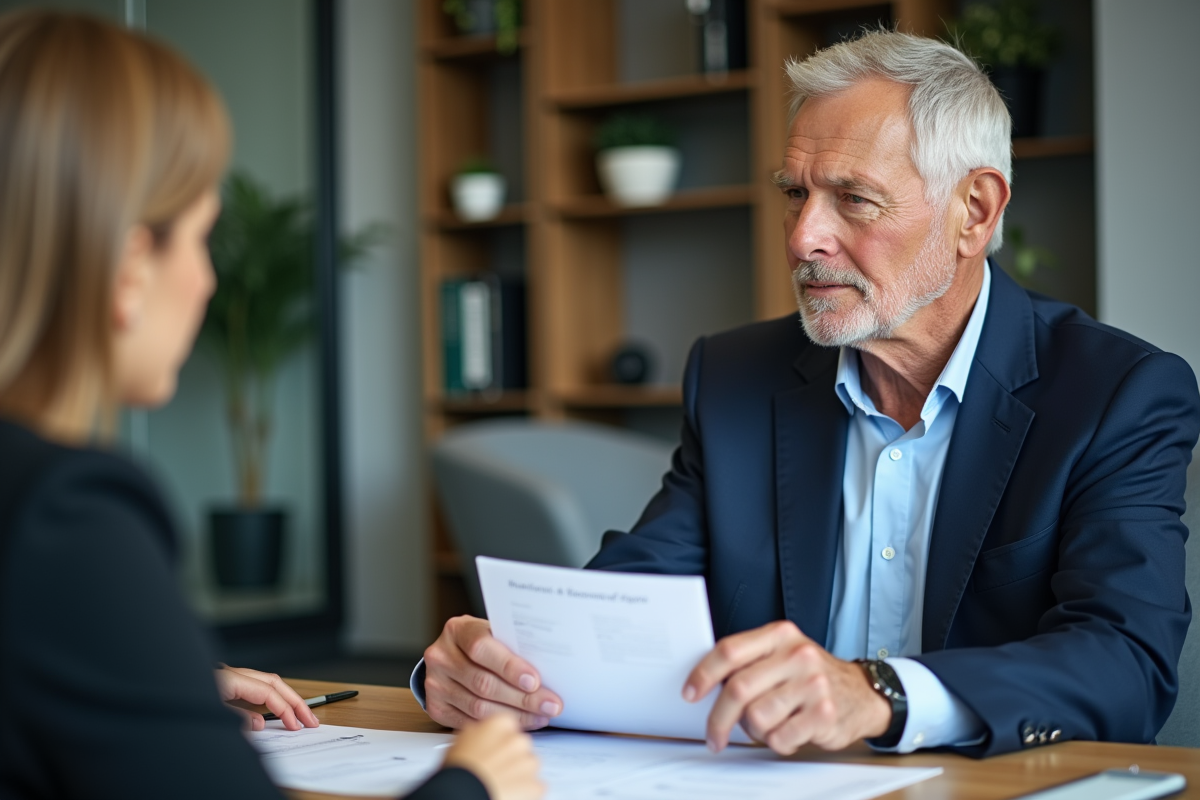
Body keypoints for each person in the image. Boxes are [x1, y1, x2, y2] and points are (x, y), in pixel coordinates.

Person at [416, 30, 1200, 758]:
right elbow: (631, 603)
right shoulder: (735, 380)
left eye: (854, 199)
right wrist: (476, 668)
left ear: (975, 210)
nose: (801, 239)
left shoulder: (1115, 394)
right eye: (795, 194)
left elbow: (1126, 664)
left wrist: (882, 696)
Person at [0, 11, 542, 800]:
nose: (208, 281)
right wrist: (472, 787)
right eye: (200, 239)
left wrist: (155, 689)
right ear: (125, 268)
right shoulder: (64, 515)